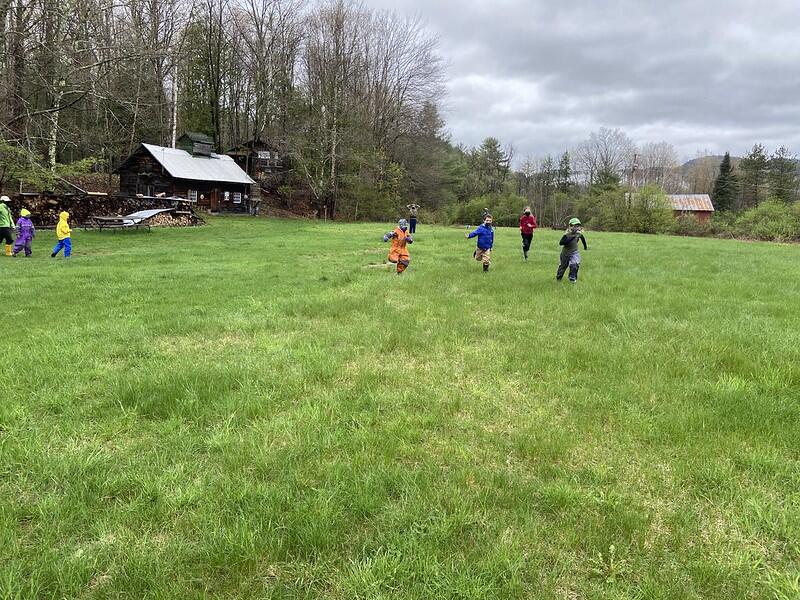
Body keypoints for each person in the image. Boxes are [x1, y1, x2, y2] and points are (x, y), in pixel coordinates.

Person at [557, 218, 588, 284]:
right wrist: (571, 238)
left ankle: (572, 278)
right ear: (570, 226)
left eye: (577, 226)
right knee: (563, 266)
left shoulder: (579, 234)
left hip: (574, 252)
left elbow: (583, 239)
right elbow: (561, 243)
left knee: (575, 264)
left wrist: (585, 247)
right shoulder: (566, 235)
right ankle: (559, 277)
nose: (576, 228)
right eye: (574, 226)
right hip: (565, 253)